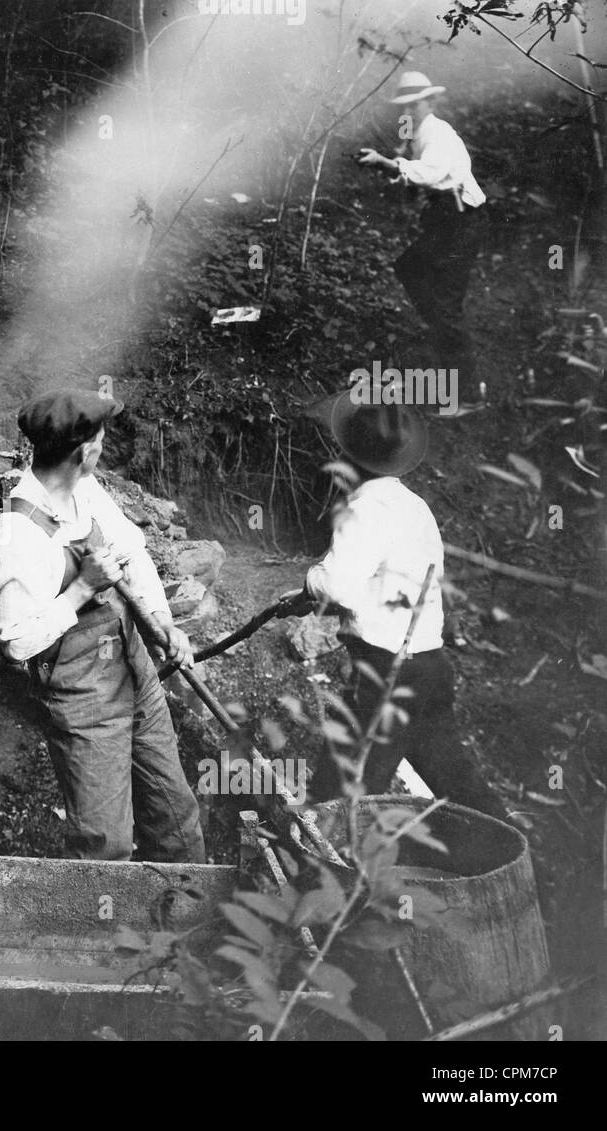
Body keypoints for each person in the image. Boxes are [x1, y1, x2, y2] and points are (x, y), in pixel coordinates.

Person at [0, 390, 206, 863]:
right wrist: (81, 590)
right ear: (82, 450)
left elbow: (132, 551)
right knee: (105, 844)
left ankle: (186, 920)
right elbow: (15, 641)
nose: (103, 446)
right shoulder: (19, 531)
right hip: (83, 698)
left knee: (174, 814)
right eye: (101, 438)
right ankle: (109, 930)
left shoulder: (83, 489)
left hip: (134, 670)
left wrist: (162, 621)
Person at [281, 389, 507, 821]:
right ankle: (508, 855)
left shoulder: (364, 509)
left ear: (351, 457)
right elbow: (387, 583)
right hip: (429, 669)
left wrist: (311, 580)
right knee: (460, 787)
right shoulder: (415, 506)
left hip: (385, 675)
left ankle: (315, 879)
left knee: (338, 800)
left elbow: (340, 587)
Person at [357, 71, 486, 382]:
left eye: (413, 105)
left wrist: (386, 163)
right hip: (446, 220)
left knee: (447, 305)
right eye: (403, 107)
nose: (407, 112)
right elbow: (416, 176)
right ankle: (442, 334)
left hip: (463, 220)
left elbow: (428, 172)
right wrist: (391, 168)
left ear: (429, 102)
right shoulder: (420, 133)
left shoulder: (438, 134)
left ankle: (469, 389)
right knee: (409, 267)